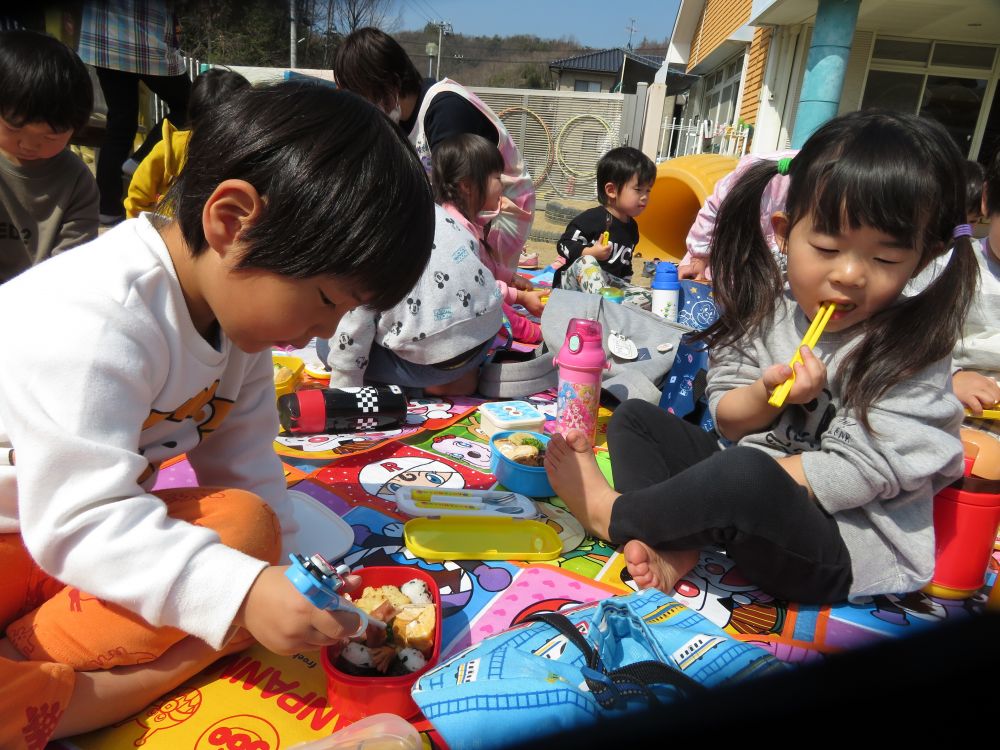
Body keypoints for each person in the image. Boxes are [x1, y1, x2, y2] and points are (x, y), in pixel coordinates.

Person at [0, 81, 435, 746]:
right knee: (226, 586)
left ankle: (73, 664)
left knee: (246, 524)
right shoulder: (94, 318)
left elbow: (247, 466)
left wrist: (284, 577)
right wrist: (239, 596)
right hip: (32, 535)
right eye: (326, 300)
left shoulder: (236, 324)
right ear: (232, 221)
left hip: (62, 546)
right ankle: (39, 658)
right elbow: (79, 517)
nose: (326, 330)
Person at [544, 110, 976, 605]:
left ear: (920, 260)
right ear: (784, 233)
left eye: (884, 259)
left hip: (837, 549)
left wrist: (714, 493)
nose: (851, 274)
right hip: (747, 505)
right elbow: (727, 421)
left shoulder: (913, 347)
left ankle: (615, 514)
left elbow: (863, 470)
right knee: (637, 420)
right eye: (827, 246)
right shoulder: (770, 312)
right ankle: (671, 543)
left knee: (743, 474)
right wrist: (766, 396)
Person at [333, 27, 536, 281]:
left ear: (389, 84)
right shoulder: (397, 119)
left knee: (477, 280)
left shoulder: (446, 111)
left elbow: (453, 200)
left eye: (362, 97)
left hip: (498, 206)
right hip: (461, 205)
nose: (362, 109)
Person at [320, 200, 503, 397]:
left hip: (429, 362)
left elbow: (352, 327)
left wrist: (345, 390)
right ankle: (457, 374)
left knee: (326, 344)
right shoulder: (429, 205)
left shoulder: (361, 232)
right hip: (484, 336)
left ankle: (431, 386)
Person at [76, 0, 192, 225]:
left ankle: (107, 208)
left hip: (105, 40)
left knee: (120, 122)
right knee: (190, 107)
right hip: (148, 39)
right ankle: (141, 158)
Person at [0, 29, 98, 284]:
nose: (29, 145)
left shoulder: (77, 182)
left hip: (42, 302)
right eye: (13, 128)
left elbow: (71, 265)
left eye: (50, 138)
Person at [432, 133, 546, 344]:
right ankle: (531, 332)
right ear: (466, 186)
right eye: (496, 178)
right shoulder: (456, 231)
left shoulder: (467, 220)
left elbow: (484, 265)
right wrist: (519, 298)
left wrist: (510, 278)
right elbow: (484, 291)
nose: (502, 185)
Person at [124, 66, 250, 218]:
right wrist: (139, 231)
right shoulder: (170, 150)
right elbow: (138, 196)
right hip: (167, 232)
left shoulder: (245, 154)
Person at [553, 146, 655, 308]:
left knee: (650, 296)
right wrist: (590, 252)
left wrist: (625, 288)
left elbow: (625, 268)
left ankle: (610, 308)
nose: (645, 197)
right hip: (572, 289)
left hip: (608, 291)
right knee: (586, 263)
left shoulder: (632, 228)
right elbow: (563, 244)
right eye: (638, 190)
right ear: (611, 190)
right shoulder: (592, 218)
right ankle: (606, 309)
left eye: (648, 190)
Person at [677, 149, 796, 281]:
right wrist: (698, 257)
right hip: (719, 263)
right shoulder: (769, 169)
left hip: (770, 271)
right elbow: (715, 207)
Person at [949, 150, 1000, 430]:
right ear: (987, 199)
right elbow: (902, 342)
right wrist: (950, 377)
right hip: (959, 415)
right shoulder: (952, 267)